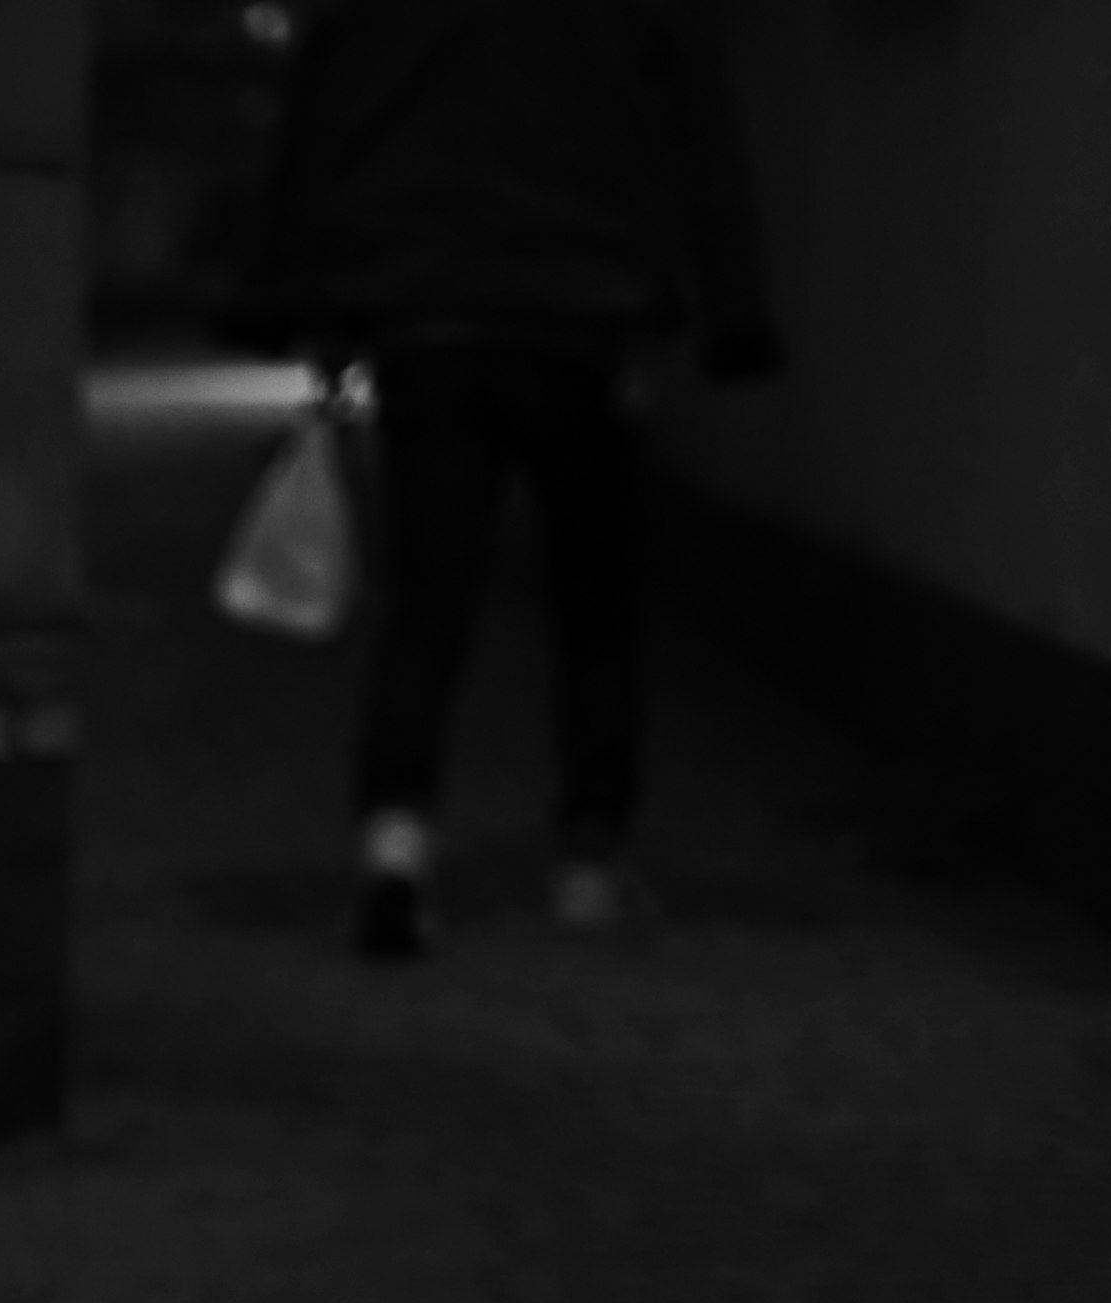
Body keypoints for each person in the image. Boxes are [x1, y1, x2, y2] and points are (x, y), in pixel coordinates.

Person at [231, 0, 783, 960]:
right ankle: (590, 856)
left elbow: (321, 116)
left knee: (429, 602)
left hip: (428, 314)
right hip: (583, 314)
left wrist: (291, 301)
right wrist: (730, 311)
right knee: (595, 602)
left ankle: (396, 841)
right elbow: (695, 113)